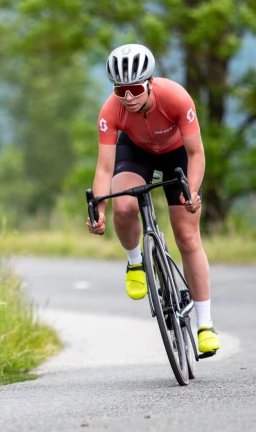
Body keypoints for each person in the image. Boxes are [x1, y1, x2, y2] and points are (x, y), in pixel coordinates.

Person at [87, 43, 220, 355]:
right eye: (121, 91)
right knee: (124, 205)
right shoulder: (110, 110)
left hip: (177, 153)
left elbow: (196, 153)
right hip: (137, 152)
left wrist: (193, 192)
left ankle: (204, 324)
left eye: (134, 89)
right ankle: (136, 263)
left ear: (148, 82)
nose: (128, 98)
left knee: (187, 237)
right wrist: (99, 209)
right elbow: (105, 167)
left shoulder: (175, 97)